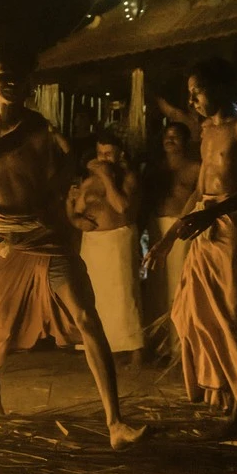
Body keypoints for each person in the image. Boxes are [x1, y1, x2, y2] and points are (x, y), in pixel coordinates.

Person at [0, 44, 147, 451]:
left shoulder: (36, 126)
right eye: (3, 76)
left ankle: (115, 422)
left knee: (85, 315)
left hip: (43, 236)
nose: (11, 84)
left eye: (18, 77)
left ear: (28, 84)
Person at [145, 57, 237, 439]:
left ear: (219, 87)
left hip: (233, 227)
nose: (192, 99)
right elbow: (199, 190)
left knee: (230, 315)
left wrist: (216, 214)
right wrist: (167, 239)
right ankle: (221, 395)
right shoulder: (206, 132)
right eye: (190, 93)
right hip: (204, 224)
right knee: (191, 312)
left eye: (198, 90)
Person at [68, 132, 144, 367]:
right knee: (96, 297)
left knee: (124, 295)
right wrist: (75, 216)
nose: (103, 158)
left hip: (117, 240)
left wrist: (106, 176)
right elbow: (76, 211)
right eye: (100, 153)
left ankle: (135, 351)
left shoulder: (128, 178)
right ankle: (101, 347)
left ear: (120, 154)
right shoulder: (88, 181)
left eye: (108, 153)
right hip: (93, 243)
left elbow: (121, 206)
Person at [145, 122, 200, 351]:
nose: (170, 140)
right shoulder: (154, 168)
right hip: (156, 224)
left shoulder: (195, 168)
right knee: (156, 286)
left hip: (180, 229)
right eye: (167, 136)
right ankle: (159, 344)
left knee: (178, 284)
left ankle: (180, 346)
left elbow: (200, 199)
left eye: (175, 137)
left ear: (186, 141)